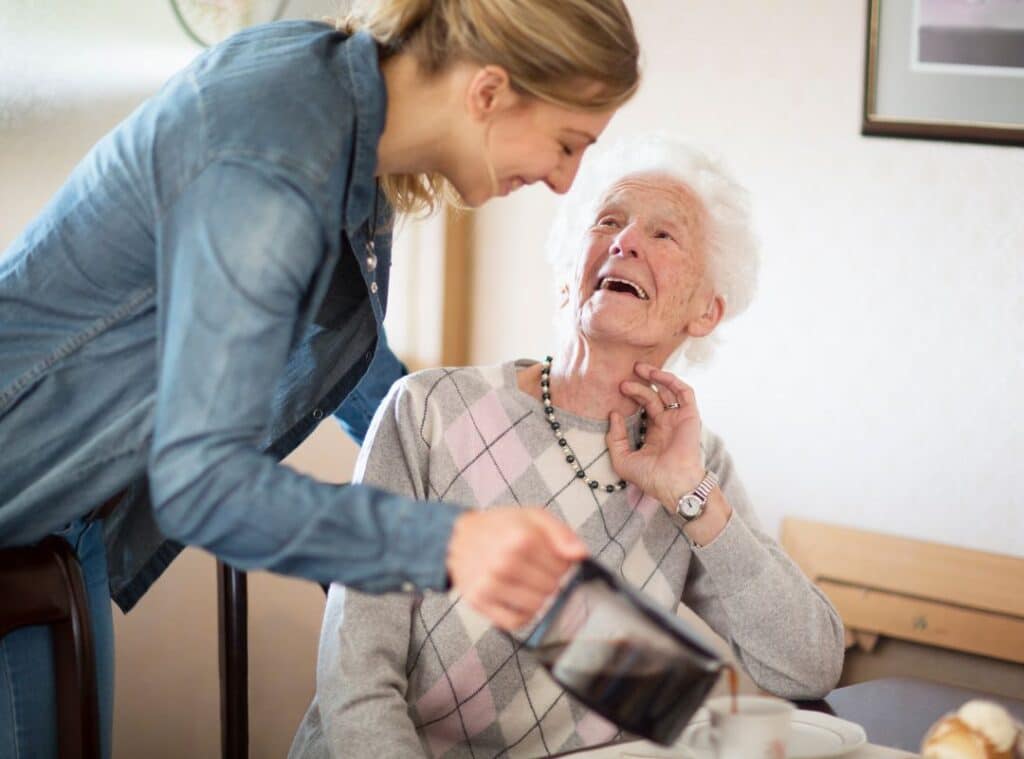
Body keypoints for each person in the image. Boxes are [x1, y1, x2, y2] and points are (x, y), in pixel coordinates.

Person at [0, 1, 641, 756]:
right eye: (569, 144)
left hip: (67, 524)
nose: (567, 182)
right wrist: (452, 541)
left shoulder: (344, 123)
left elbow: (351, 357)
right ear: (490, 91)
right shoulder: (278, 155)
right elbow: (201, 482)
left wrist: (467, 490)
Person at [290, 134, 846, 759]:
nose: (625, 240)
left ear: (705, 312)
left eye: (664, 235)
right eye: (609, 220)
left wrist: (692, 496)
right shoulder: (430, 409)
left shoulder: (695, 465)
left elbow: (808, 667)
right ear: (566, 278)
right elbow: (357, 677)